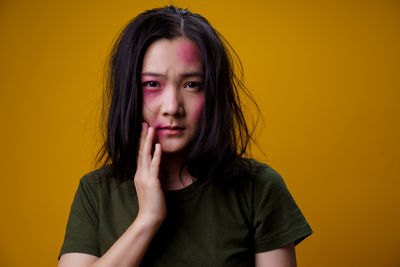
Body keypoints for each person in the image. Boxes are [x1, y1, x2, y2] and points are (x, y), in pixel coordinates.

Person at [58, 6, 312, 267]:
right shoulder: (96, 192)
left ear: (212, 93)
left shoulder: (259, 188)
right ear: (130, 92)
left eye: (191, 85)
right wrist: (147, 219)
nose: (172, 107)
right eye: (152, 84)